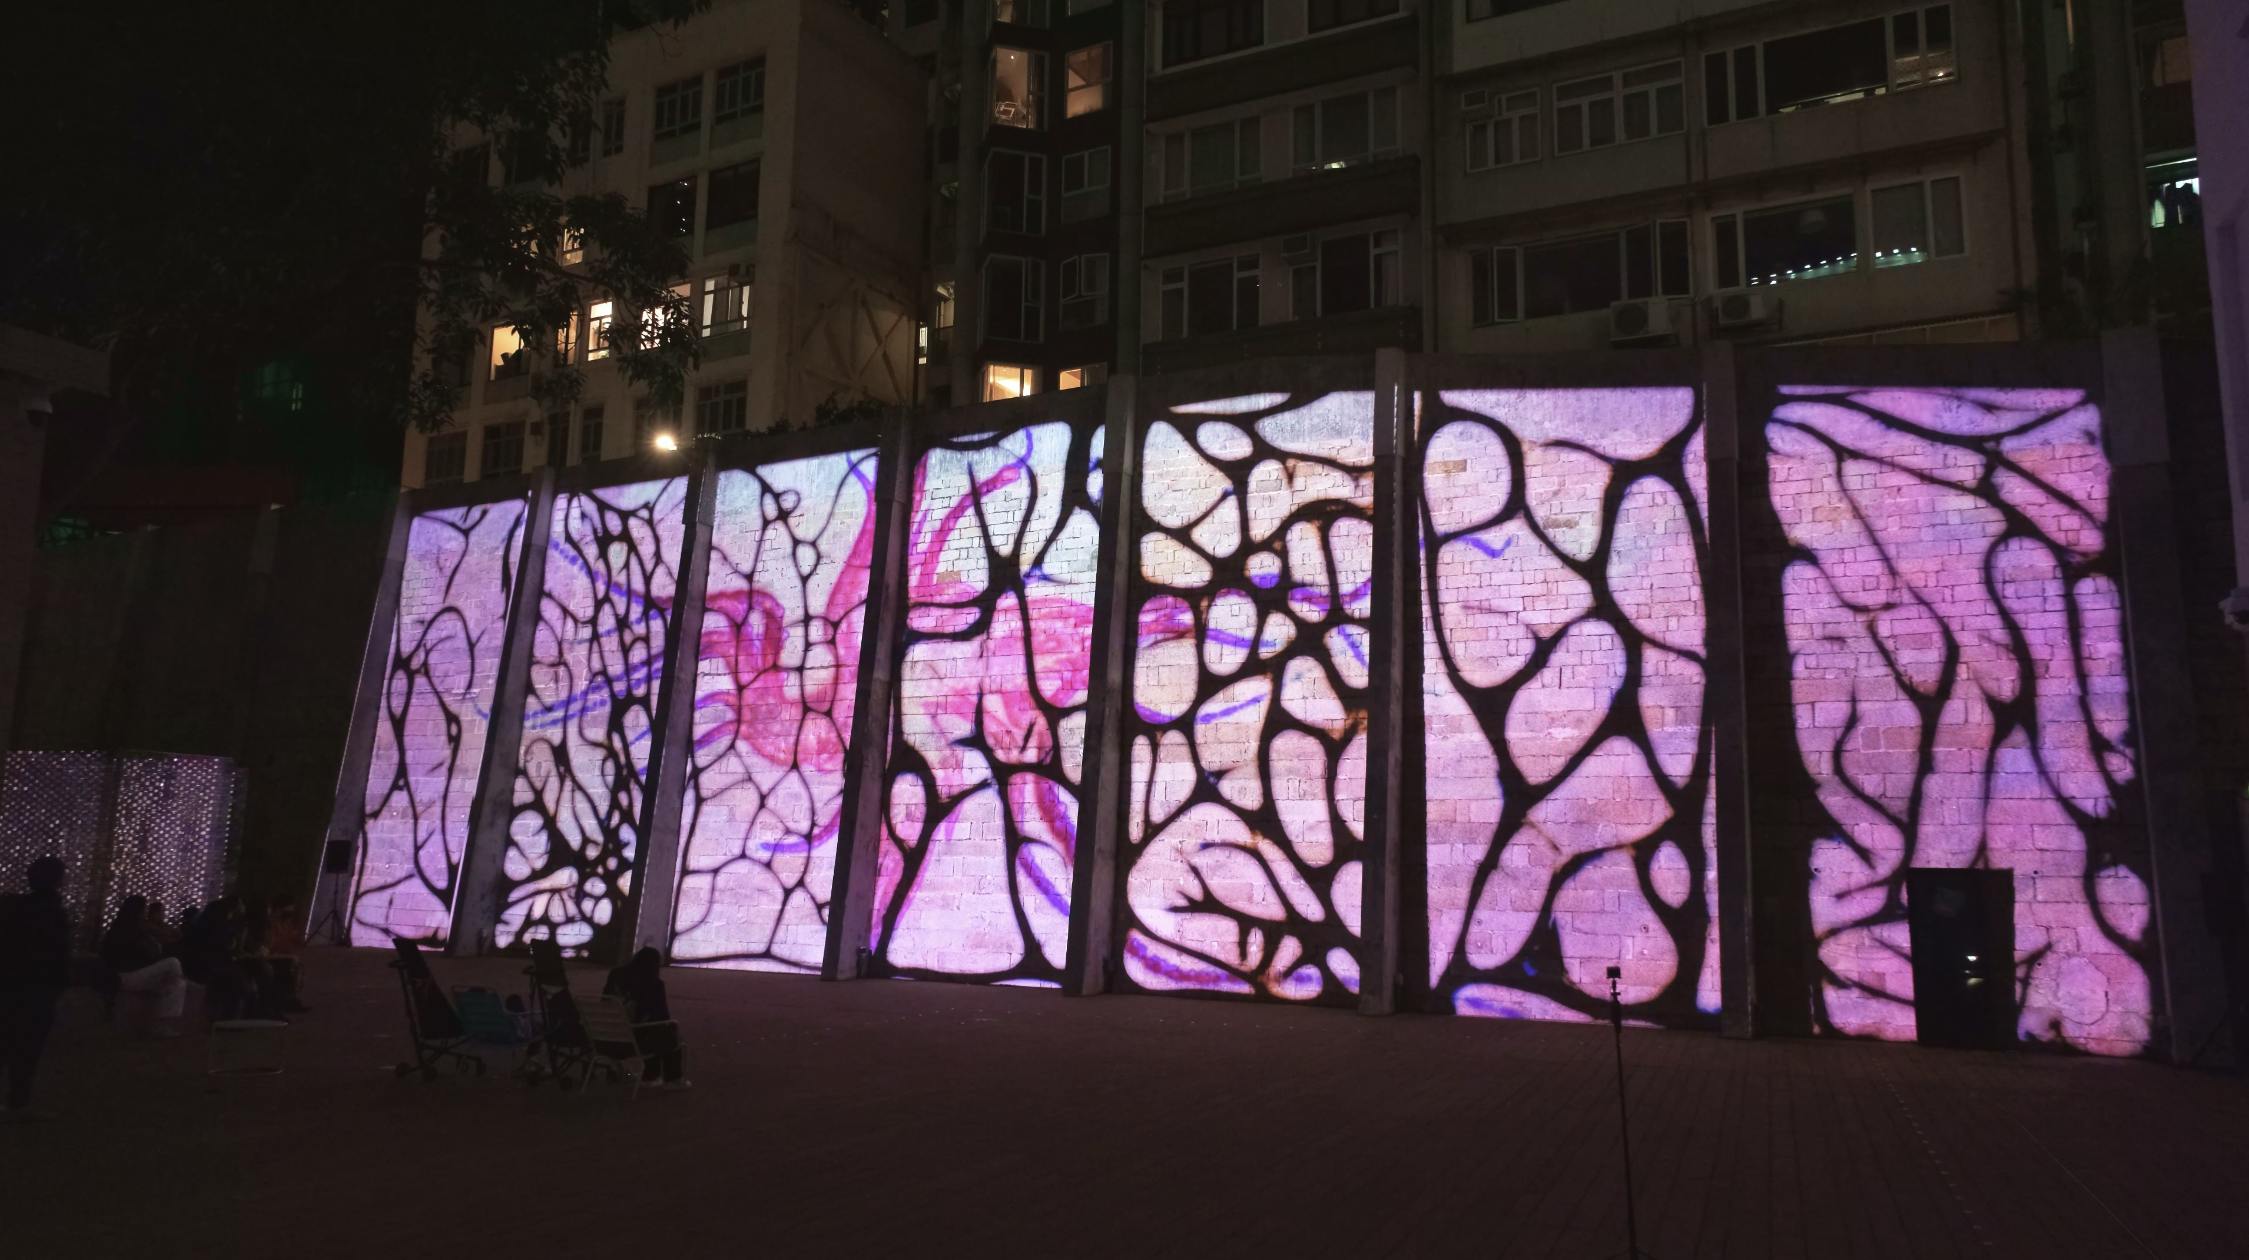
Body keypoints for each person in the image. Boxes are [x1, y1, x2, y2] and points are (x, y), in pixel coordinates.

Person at [1, 857, 73, 1119]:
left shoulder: (13, 907)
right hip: (38, 988)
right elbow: (58, 955)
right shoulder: (54, 913)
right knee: (27, 1047)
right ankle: (17, 1102)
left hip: (10, 984)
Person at [100, 894, 188, 1033]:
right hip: (126, 976)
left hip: (128, 974)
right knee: (173, 963)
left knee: (178, 984)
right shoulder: (134, 929)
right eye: (144, 909)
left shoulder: (121, 928)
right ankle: (160, 1024)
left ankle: (161, 1024)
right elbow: (148, 953)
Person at [602, 947, 687, 1089]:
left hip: (606, 1036)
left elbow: (605, 1001)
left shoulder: (615, 974)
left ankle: (651, 1074)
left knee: (655, 1029)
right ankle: (671, 1078)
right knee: (668, 1031)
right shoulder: (654, 984)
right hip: (634, 1040)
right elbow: (662, 1016)